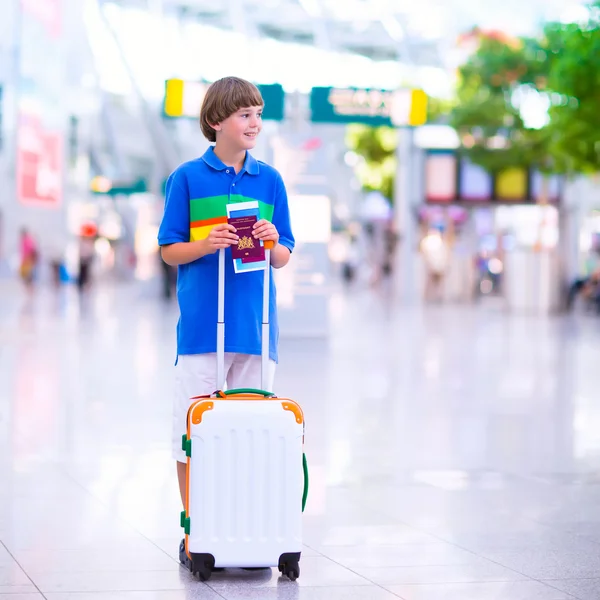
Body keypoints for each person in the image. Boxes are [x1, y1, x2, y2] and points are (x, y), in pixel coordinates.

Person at [157, 76, 295, 571]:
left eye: (258, 113)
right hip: (200, 330)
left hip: (255, 329)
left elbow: (281, 257)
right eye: (244, 114)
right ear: (217, 120)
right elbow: (170, 250)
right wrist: (206, 243)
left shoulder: (270, 181)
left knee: (252, 431)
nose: (254, 122)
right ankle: (195, 529)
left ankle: (247, 526)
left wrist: (272, 237)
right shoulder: (188, 178)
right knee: (191, 431)